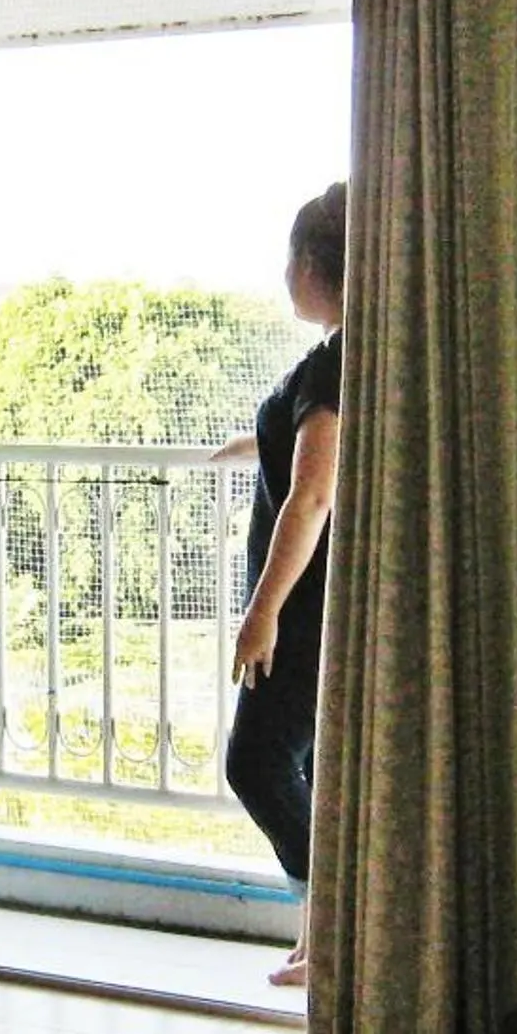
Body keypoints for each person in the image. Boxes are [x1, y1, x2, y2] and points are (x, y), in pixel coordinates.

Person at [209, 182, 344, 987]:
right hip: (315, 607)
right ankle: (322, 934)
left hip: (303, 609)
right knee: (312, 770)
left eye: (290, 258)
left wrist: (261, 613)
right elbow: (296, 451)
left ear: (312, 266)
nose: (283, 272)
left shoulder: (332, 369)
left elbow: (313, 490)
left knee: (256, 761)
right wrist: (246, 445)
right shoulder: (341, 359)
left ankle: (330, 924)